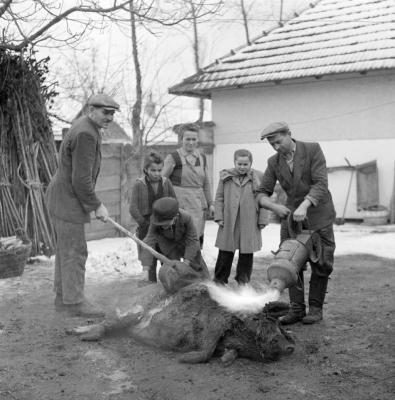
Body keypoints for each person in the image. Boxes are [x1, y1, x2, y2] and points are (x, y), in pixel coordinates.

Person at [46, 93, 120, 317]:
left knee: (66, 251)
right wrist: (96, 205)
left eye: (112, 114)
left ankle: (63, 298)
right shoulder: (86, 133)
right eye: (105, 113)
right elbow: (81, 180)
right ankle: (74, 303)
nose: (109, 118)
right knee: (75, 252)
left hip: (63, 198)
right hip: (67, 200)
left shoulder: (84, 126)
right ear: (91, 110)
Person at [257, 121, 336, 325]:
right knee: (289, 263)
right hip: (293, 222)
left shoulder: (312, 149)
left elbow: (320, 183)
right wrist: (273, 207)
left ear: (289, 134)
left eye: (278, 142)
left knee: (321, 263)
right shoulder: (273, 162)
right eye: (271, 144)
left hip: (319, 216)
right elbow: (261, 193)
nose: (276, 147)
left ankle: (316, 309)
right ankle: (297, 310)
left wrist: (306, 205)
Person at [213, 149, 268, 285]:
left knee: (246, 254)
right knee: (225, 252)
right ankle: (220, 280)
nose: (242, 167)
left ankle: (243, 281)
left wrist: (263, 219)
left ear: (250, 164)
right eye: (239, 164)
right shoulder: (226, 177)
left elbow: (264, 199)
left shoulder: (258, 178)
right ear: (234, 162)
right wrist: (219, 216)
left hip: (250, 221)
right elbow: (219, 197)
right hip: (229, 219)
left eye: (245, 164)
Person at [162, 123, 214, 248]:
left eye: (194, 139)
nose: (191, 142)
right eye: (188, 139)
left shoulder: (202, 157)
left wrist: (210, 203)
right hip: (180, 204)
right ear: (181, 140)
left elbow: (206, 182)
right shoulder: (173, 157)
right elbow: (162, 182)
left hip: (198, 204)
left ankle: (192, 265)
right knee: (178, 238)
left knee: (195, 238)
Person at [129, 151, 176, 282]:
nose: (156, 173)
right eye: (153, 170)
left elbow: (174, 202)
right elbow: (133, 207)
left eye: (159, 170)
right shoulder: (139, 184)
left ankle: (168, 284)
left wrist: (170, 221)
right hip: (146, 225)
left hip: (164, 225)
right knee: (149, 258)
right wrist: (143, 222)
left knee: (166, 255)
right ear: (146, 169)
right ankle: (150, 287)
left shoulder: (166, 183)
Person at [140, 197, 209, 276]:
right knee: (172, 271)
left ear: (175, 216)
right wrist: (145, 268)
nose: (162, 226)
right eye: (160, 224)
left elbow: (192, 241)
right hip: (168, 245)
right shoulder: (155, 221)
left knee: (196, 263)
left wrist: (186, 263)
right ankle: (177, 286)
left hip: (185, 243)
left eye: (165, 223)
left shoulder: (186, 218)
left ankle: (205, 281)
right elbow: (148, 242)